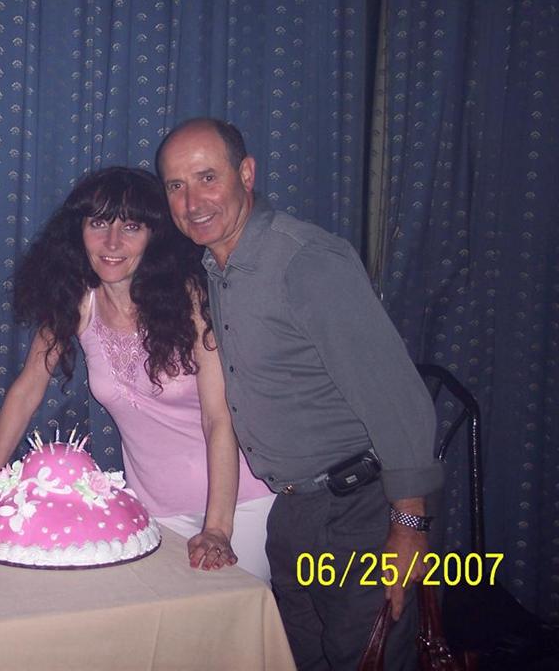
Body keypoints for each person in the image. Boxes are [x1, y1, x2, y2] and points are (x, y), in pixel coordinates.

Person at [156, 117, 443, 670]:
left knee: (366, 658)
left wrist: (409, 525)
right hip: (295, 509)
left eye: (208, 177)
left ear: (246, 174)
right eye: (176, 185)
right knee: (301, 657)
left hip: (364, 509)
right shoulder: (217, 267)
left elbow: (398, 398)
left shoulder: (305, 260)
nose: (192, 202)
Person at [0, 167, 273, 579]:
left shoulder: (192, 299)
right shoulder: (79, 302)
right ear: (79, 231)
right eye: (99, 223)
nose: (112, 242)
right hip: (155, 508)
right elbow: (27, 388)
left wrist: (217, 529)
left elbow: (218, 417)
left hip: (240, 504)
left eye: (131, 227)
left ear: (155, 236)